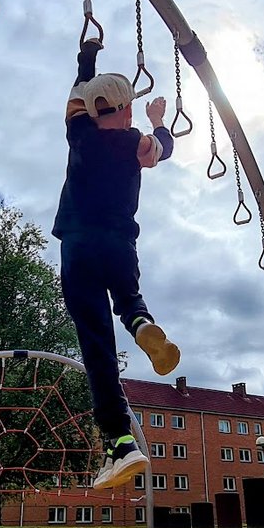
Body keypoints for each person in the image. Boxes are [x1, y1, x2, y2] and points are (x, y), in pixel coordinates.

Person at [54, 37, 180, 491]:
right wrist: (158, 120)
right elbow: (164, 147)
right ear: (128, 110)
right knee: (128, 298)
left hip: (79, 243)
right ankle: (141, 322)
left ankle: (121, 441)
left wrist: (86, 58)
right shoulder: (137, 143)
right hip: (120, 244)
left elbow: (76, 92)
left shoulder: (80, 134)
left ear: (90, 111)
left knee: (97, 347)